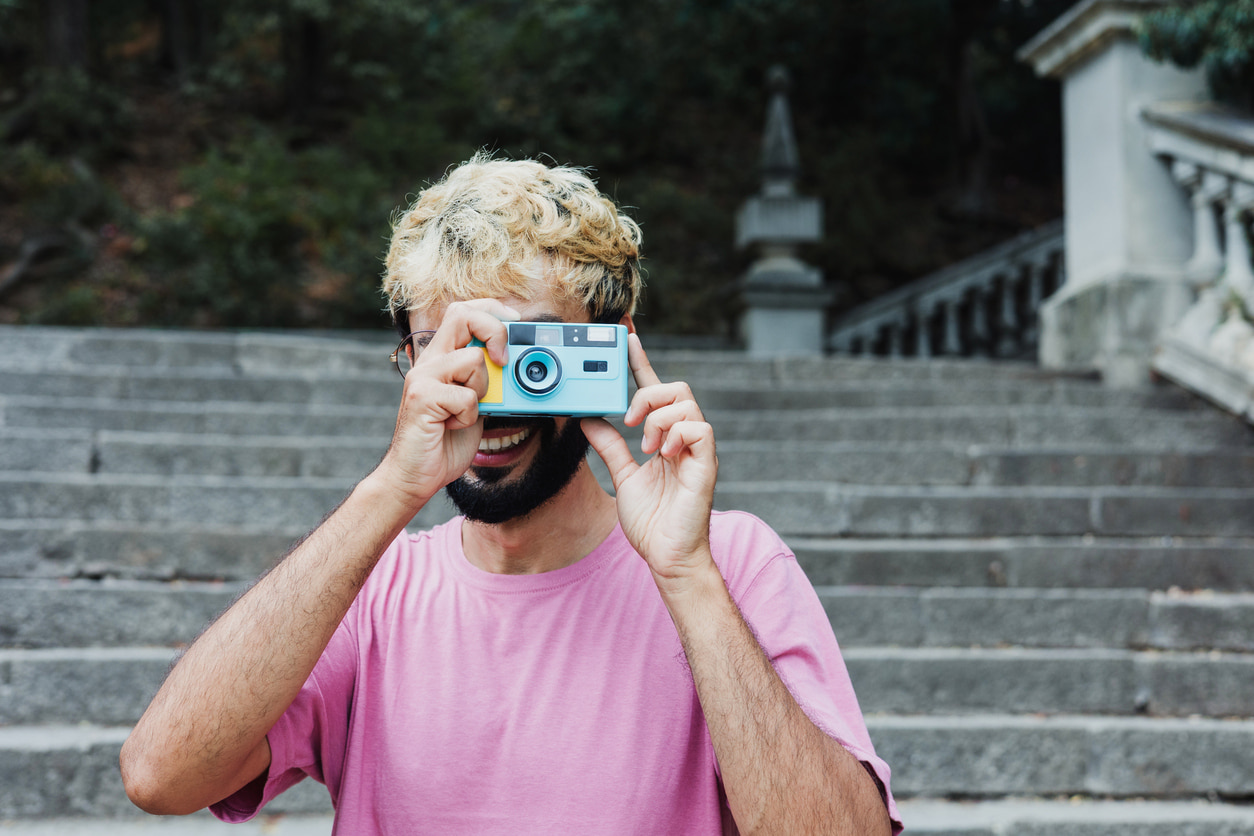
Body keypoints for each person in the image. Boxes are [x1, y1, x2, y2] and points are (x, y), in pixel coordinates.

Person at [120, 154, 902, 835]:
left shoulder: (728, 564)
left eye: (526, 355)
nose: (487, 403)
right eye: (454, 353)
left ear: (610, 342)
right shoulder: (370, 587)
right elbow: (161, 777)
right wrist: (393, 488)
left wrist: (687, 577)